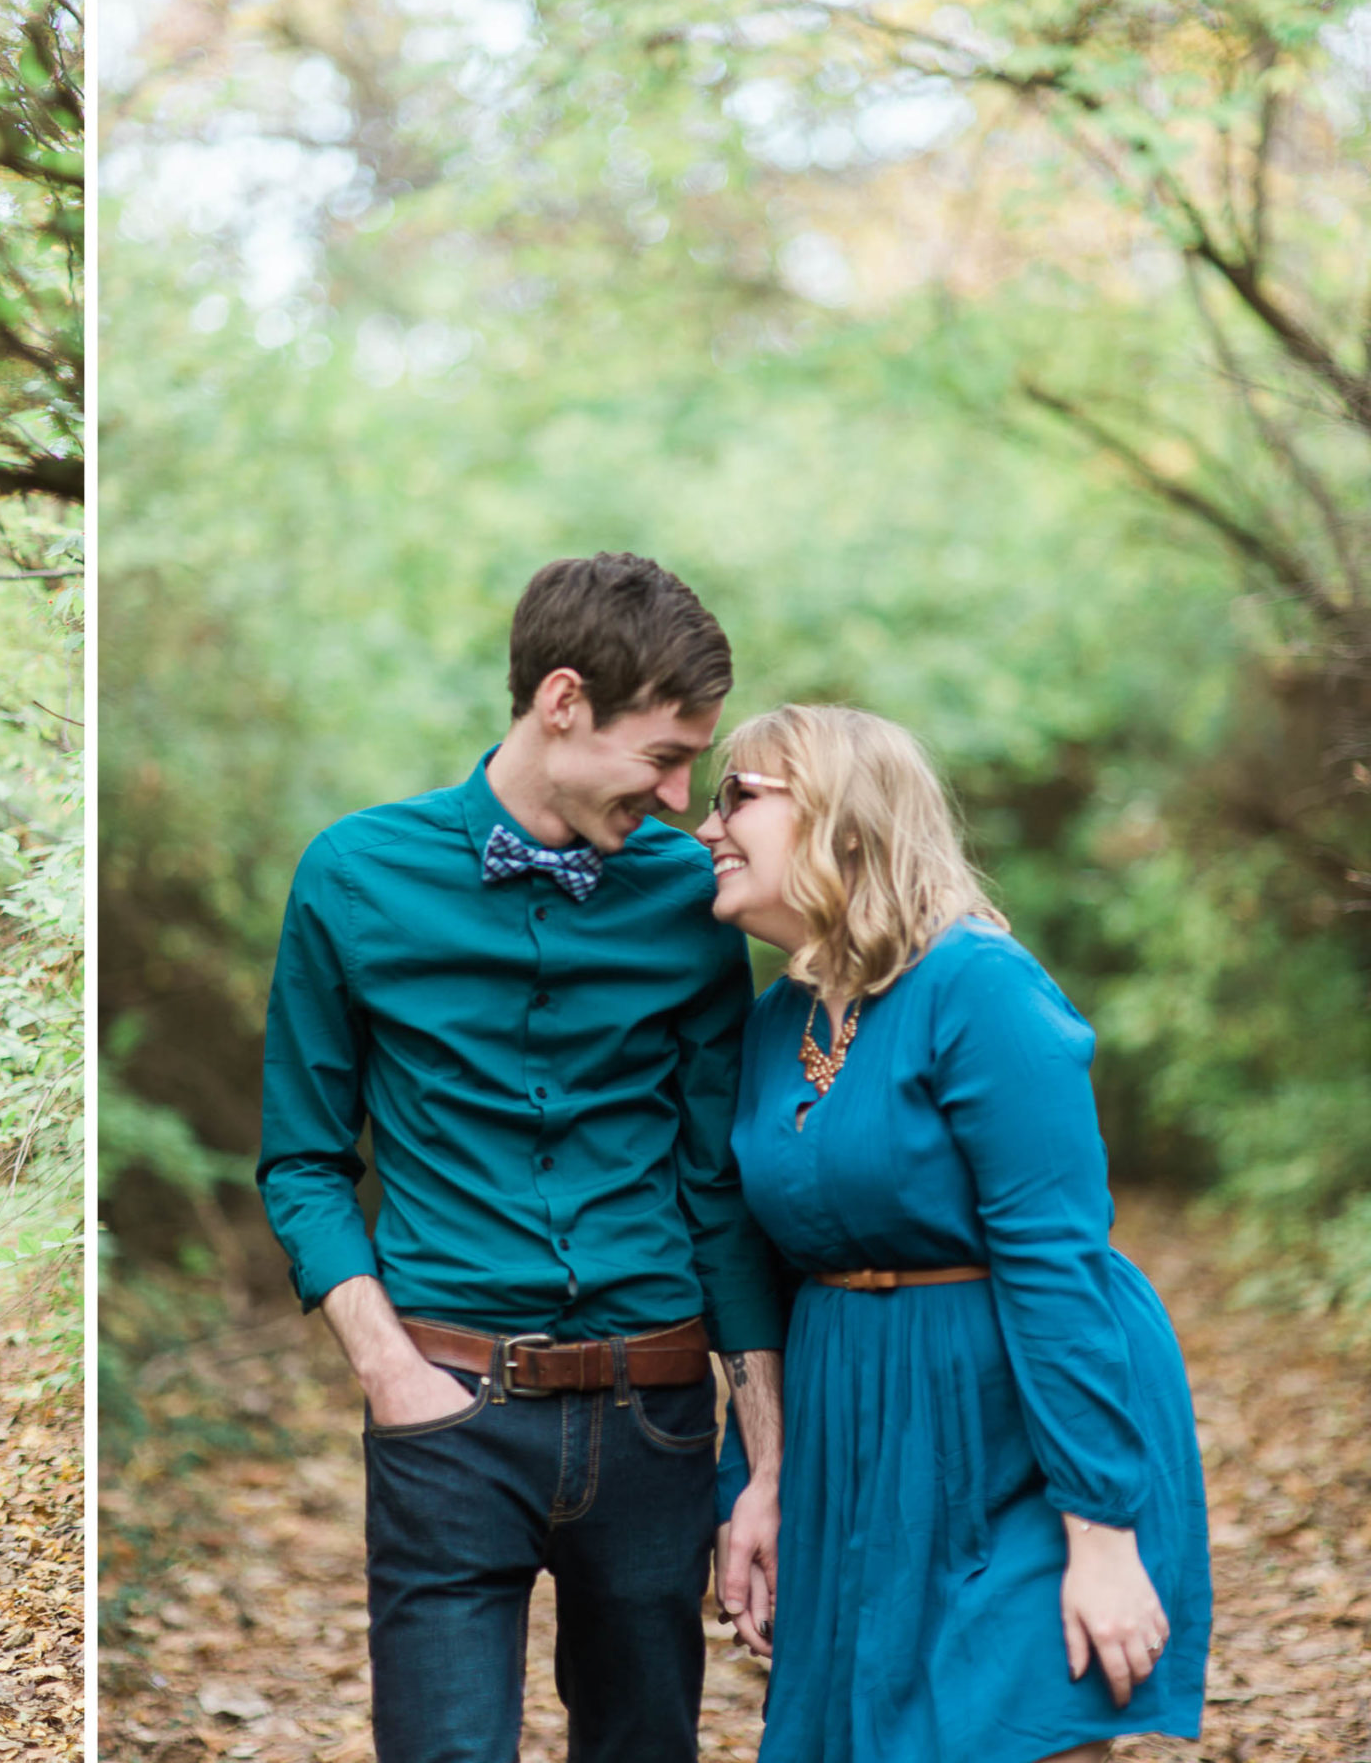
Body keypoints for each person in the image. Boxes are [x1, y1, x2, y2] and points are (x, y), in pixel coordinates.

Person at [257, 552, 789, 1763]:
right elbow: (300, 1161)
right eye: (662, 755)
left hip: (656, 1417)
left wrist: (765, 1460)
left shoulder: (691, 903)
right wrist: (389, 1372)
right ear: (561, 703)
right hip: (447, 1409)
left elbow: (716, 1185)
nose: (678, 797)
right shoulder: (354, 875)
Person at [695, 703, 1210, 1762]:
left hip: (1011, 1417)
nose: (706, 826)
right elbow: (757, 1263)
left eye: (737, 796)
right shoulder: (774, 1025)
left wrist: (1100, 1530)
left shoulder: (980, 989)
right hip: (853, 1419)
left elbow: (1052, 1259)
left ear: (842, 818)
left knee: (999, 1720)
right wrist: (759, 1477)